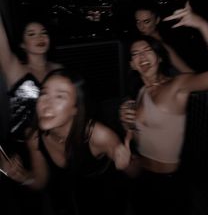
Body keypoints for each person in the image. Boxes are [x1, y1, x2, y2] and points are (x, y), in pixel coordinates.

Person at [120, 2, 208, 215]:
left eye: (147, 51)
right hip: (141, 175)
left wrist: (202, 26)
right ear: (132, 64)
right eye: (136, 54)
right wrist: (126, 124)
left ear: (160, 57)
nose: (142, 57)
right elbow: (140, 135)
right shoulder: (139, 92)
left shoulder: (176, 86)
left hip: (169, 183)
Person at [0, 68, 132, 215]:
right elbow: (40, 181)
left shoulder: (98, 135)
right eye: (44, 93)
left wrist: (127, 163)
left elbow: (135, 173)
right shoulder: (35, 137)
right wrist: (23, 176)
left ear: (75, 108)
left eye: (59, 97)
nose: (46, 104)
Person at [0, 13, 62, 215]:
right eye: (32, 34)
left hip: (57, 145)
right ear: (22, 43)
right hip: (23, 150)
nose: (40, 37)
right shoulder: (15, 69)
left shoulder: (60, 70)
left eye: (43, 33)